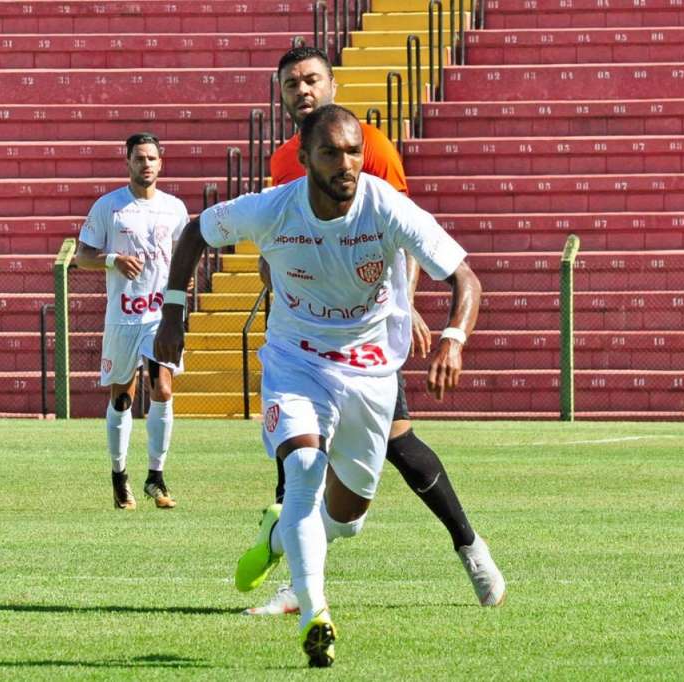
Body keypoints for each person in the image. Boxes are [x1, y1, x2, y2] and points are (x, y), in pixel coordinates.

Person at [155, 105, 484, 667]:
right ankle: (315, 614)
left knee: (349, 519)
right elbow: (195, 232)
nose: (346, 163)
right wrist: (173, 311)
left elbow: (464, 277)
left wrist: (453, 338)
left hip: (369, 372)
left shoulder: (385, 206)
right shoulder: (271, 208)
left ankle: (276, 536)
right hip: (296, 362)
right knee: (304, 470)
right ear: (305, 158)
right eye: (331, 152)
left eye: (354, 151)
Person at [245, 46, 505, 617]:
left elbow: (401, 230)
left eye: (312, 80)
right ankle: (300, 586)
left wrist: (406, 306)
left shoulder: (370, 145)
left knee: (400, 444)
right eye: (291, 84)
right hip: (304, 335)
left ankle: (469, 545)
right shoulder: (284, 160)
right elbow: (281, 238)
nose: (302, 91)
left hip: (366, 333)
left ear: (332, 85)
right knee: (299, 456)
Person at [75, 132, 188, 510]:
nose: (146, 164)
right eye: (139, 158)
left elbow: (184, 256)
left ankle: (156, 477)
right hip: (123, 317)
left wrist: (180, 287)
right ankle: (119, 476)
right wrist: (113, 260)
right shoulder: (109, 207)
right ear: (127, 162)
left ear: (161, 163)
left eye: (152, 158)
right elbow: (82, 256)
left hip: (160, 316)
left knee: (163, 389)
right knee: (123, 396)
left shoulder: (174, 208)